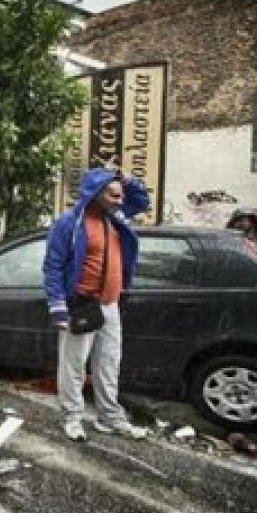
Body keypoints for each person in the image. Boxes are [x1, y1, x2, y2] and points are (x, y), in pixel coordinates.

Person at [43, 166, 150, 442]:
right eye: (113, 194)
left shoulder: (115, 217)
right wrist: (58, 307)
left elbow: (142, 200)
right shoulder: (70, 223)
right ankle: (72, 418)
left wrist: (123, 177)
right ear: (95, 194)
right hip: (81, 304)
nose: (119, 199)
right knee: (74, 366)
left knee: (109, 364)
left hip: (110, 304)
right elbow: (52, 266)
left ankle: (109, 418)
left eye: (120, 194)